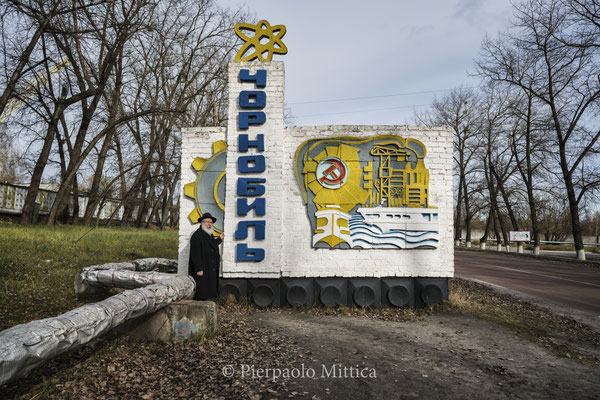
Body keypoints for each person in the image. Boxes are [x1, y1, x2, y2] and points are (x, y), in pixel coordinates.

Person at [188, 213, 225, 300]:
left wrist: (219, 239)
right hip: (202, 269)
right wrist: (198, 269)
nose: (209, 224)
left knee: (209, 291)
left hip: (209, 267)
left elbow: (210, 246)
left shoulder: (209, 234)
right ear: (202, 222)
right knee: (202, 292)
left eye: (211, 222)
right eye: (207, 222)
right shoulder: (197, 236)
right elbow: (195, 254)